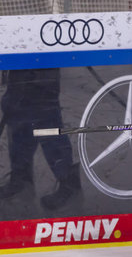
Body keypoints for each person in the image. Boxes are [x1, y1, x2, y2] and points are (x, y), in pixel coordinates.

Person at [0, 69, 81, 209]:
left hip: (43, 68)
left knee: (46, 117)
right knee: (17, 111)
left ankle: (69, 184)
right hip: (21, 63)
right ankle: (21, 177)